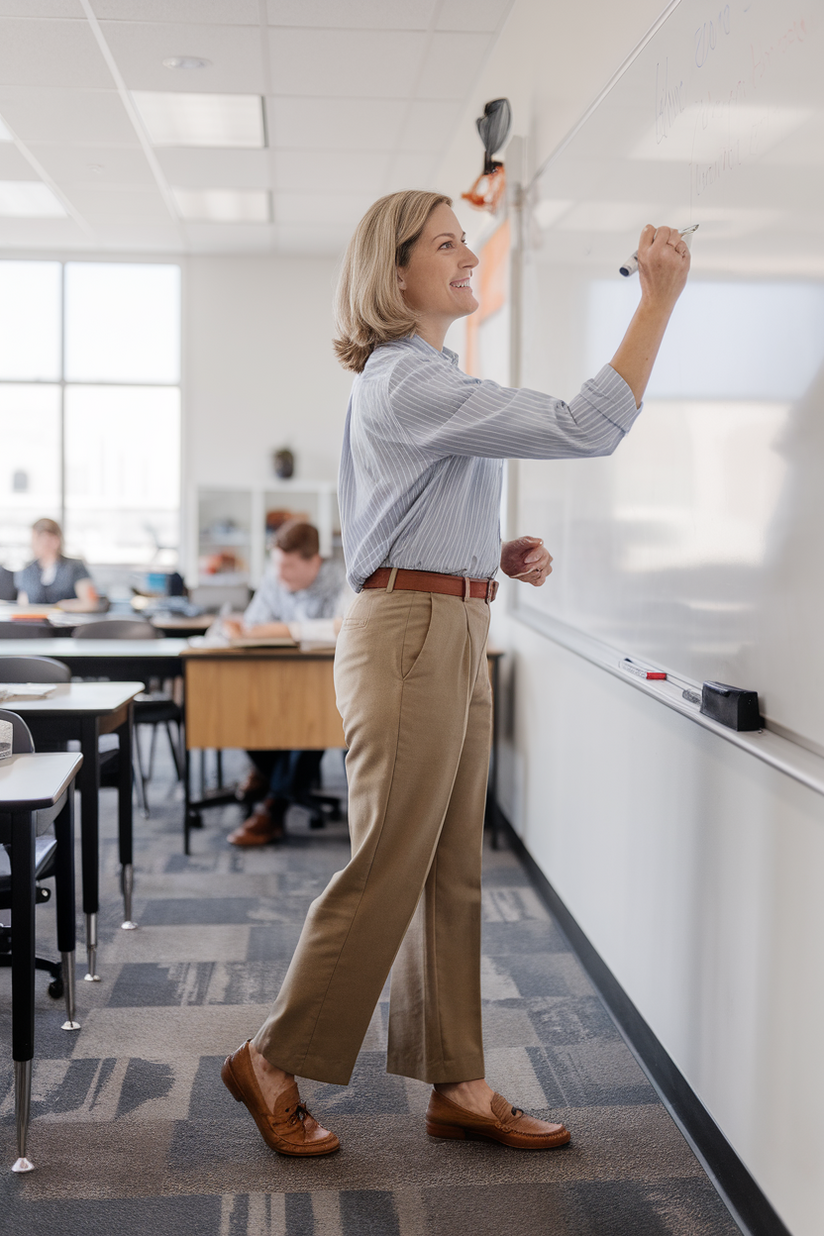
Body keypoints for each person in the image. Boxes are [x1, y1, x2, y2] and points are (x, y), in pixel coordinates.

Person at [221, 191, 690, 1157]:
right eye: (446, 242)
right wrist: (655, 304)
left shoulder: (429, 378)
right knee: (391, 859)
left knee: (452, 870)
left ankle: (457, 1081)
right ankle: (270, 1056)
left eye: (464, 237)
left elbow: (406, 512)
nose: (468, 253)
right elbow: (583, 425)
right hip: (412, 636)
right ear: (395, 277)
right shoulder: (407, 380)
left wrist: (489, 553)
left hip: (449, 619)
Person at [221, 519, 349, 846]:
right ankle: (274, 782)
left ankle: (273, 807)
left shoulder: (344, 579)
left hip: (324, 687)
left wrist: (282, 630)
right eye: (277, 565)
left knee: (309, 724)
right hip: (272, 681)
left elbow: (341, 628)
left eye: (289, 566)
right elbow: (252, 626)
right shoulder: (274, 578)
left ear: (314, 561)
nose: (280, 575)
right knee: (243, 714)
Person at [14, 517, 98, 610]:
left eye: (38, 539)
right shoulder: (27, 569)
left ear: (55, 540)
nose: (33, 544)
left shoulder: (74, 567)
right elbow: (22, 604)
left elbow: (90, 604)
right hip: (36, 623)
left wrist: (64, 607)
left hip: (67, 622)